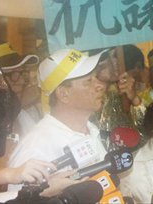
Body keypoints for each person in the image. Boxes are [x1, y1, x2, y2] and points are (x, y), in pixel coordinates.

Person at [7, 49, 109, 193]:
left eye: (96, 78)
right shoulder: (36, 146)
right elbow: (15, 199)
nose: (100, 85)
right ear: (63, 94)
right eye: (88, 81)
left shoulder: (91, 130)